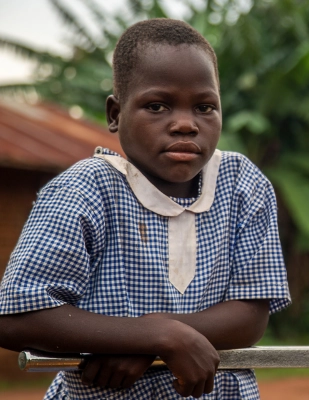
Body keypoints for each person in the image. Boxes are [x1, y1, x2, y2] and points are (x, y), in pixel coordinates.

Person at [0, 18, 290, 399]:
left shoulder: (243, 186)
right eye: (157, 106)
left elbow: (251, 315)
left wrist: (151, 339)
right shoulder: (83, 190)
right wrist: (158, 336)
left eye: (204, 107)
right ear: (115, 114)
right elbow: (16, 317)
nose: (185, 124)